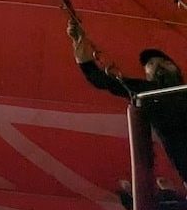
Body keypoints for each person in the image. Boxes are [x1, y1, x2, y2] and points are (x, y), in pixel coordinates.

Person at [69, 21, 187, 182]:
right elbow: (101, 80)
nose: (158, 65)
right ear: (147, 74)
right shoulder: (145, 90)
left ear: (177, 68)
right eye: (151, 64)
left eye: (165, 62)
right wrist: (79, 42)